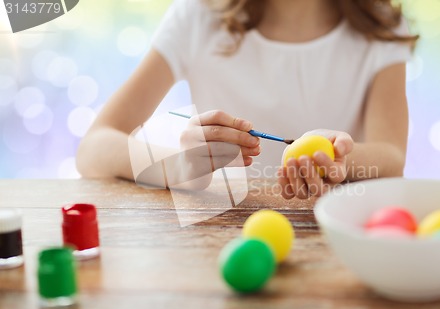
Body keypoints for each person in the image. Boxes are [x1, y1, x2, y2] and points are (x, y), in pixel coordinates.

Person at [76, 0, 417, 199]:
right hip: (220, 240)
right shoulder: (198, 16)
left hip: (337, 239)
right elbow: (93, 148)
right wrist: (181, 166)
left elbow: (391, 157)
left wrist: (342, 158)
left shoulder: (381, 27)